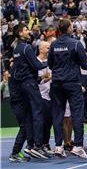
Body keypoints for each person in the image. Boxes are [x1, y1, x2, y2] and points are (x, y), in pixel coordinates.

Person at [48, 18, 87, 159]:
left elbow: (51, 65)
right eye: (72, 26)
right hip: (72, 83)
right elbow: (85, 65)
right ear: (69, 28)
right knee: (77, 114)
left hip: (57, 83)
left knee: (58, 115)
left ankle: (58, 146)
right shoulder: (76, 44)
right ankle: (78, 146)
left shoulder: (53, 45)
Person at [9, 23, 50, 161]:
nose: (28, 31)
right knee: (38, 113)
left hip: (22, 87)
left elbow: (23, 69)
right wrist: (53, 61)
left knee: (27, 122)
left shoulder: (17, 48)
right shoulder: (26, 47)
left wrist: (38, 78)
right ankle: (37, 146)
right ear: (20, 33)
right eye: (26, 30)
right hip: (27, 86)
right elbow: (38, 65)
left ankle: (25, 148)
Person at [37, 41, 54, 155]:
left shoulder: (50, 62)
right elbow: (36, 80)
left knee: (49, 121)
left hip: (50, 95)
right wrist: (46, 78)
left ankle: (45, 143)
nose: (49, 50)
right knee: (41, 122)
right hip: (39, 96)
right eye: (47, 48)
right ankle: (37, 145)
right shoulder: (35, 62)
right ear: (41, 49)